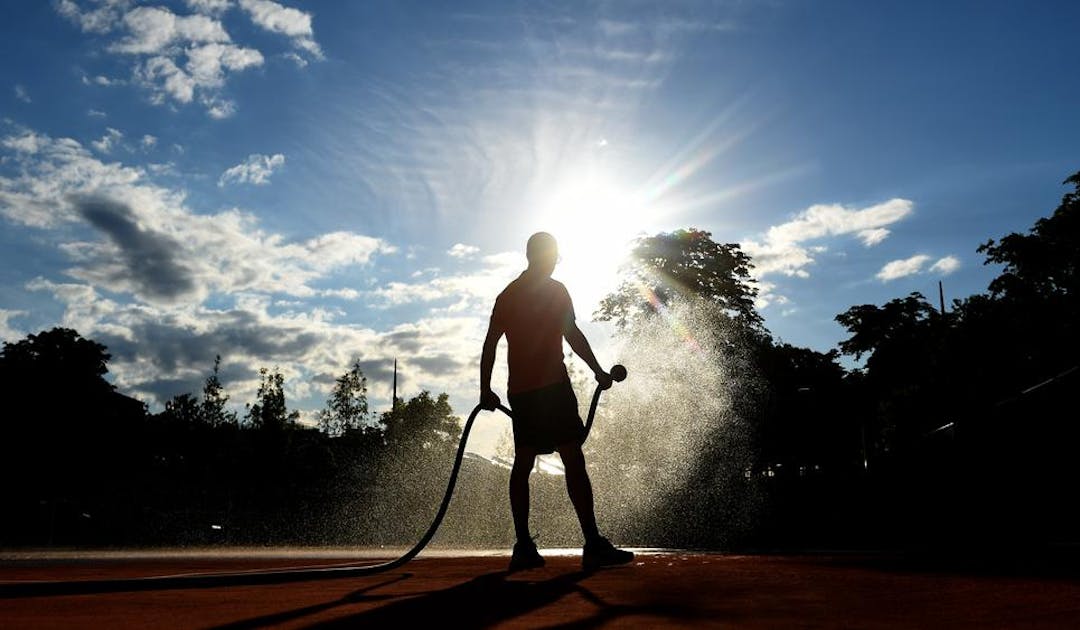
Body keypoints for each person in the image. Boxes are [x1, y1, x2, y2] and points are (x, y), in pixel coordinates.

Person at [480, 231, 634, 571]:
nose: (552, 263)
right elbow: (491, 343)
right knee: (539, 461)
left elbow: (572, 334)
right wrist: (483, 389)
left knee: (561, 458)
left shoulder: (537, 292)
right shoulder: (517, 295)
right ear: (538, 257)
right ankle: (534, 545)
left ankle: (579, 542)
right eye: (550, 257)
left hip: (539, 389)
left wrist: (597, 370)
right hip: (537, 390)